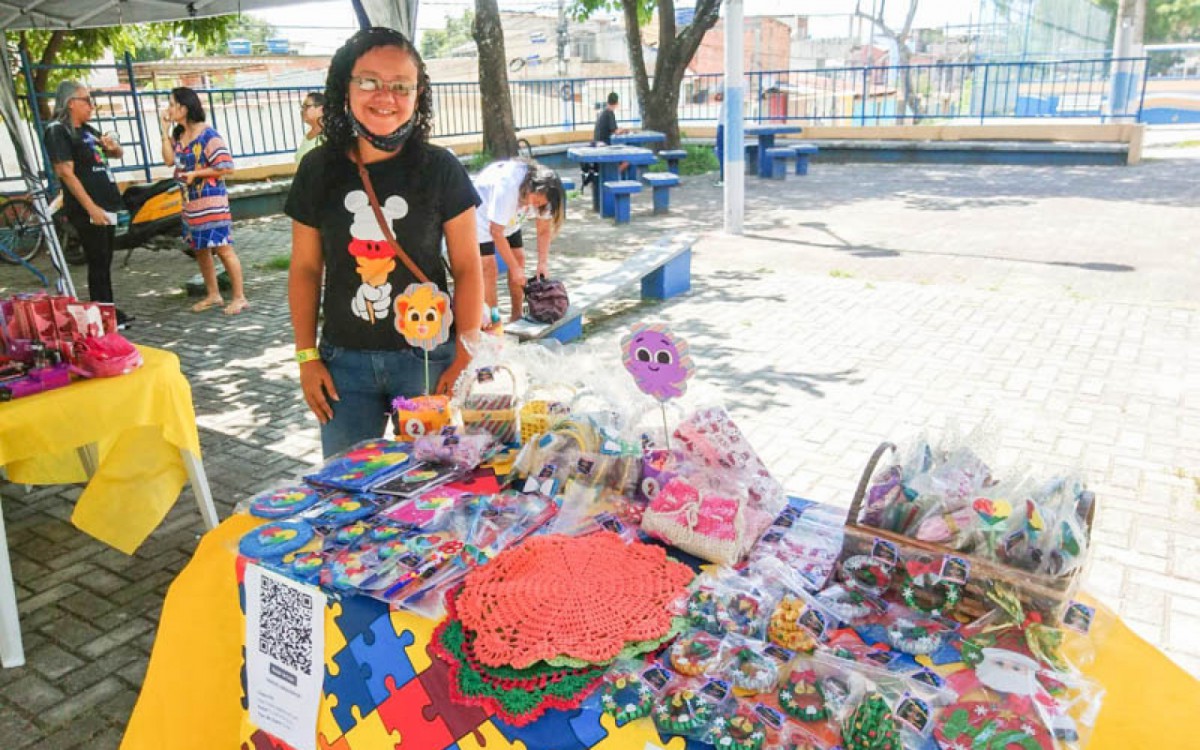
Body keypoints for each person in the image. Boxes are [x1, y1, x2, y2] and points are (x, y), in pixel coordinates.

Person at [285, 27, 483, 458]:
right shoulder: (318, 169)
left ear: (418, 94)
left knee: (433, 487)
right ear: (345, 87)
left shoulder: (441, 169)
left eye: (400, 86)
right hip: (343, 366)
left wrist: (466, 357)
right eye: (369, 81)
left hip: (428, 362)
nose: (384, 97)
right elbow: (303, 269)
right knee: (347, 492)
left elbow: (469, 266)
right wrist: (306, 359)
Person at [44, 81, 133, 328]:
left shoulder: (87, 129)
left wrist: (113, 148)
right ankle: (103, 315)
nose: (91, 106)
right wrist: (91, 207)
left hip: (107, 203)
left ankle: (108, 309)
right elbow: (66, 172)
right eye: (87, 100)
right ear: (71, 102)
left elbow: (115, 154)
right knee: (97, 259)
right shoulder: (57, 130)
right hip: (88, 208)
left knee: (105, 259)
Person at [160, 87, 249, 315]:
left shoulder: (208, 135)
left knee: (223, 248)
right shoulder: (179, 135)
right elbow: (169, 161)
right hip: (190, 203)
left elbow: (226, 167)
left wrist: (196, 175)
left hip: (211, 201)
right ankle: (213, 294)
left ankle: (239, 297)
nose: (168, 108)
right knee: (200, 249)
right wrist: (164, 130)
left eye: (172, 104)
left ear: (184, 107)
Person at [472, 159, 565, 324]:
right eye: (536, 202)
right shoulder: (508, 186)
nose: (537, 206)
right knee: (489, 269)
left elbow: (543, 230)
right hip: (481, 214)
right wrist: (514, 269)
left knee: (519, 258)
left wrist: (542, 263)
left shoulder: (546, 193)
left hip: (510, 219)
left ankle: (516, 315)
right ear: (531, 187)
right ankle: (493, 321)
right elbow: (496, 232)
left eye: (540, 204)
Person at [582, 91, 629, 188]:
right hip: (603, 146)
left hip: (596, 144)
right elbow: (615, 131)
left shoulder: (602, 112)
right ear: (616, 103)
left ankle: (608, 178)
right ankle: (612, 178)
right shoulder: (609, 113)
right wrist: (624, 130)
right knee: (626, 161)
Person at [295, 92, 325, 163]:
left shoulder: (327, 136)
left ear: (321, 109)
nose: (302, 111)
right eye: (302, 107)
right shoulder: (308, 133)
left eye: (306, 107)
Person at [714, 91, 726, 186]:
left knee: (721, 150)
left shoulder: (726, 80)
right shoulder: (745, 83)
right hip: (736, 123)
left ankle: (724, 177)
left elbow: (717, 97)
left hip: (723, 122)